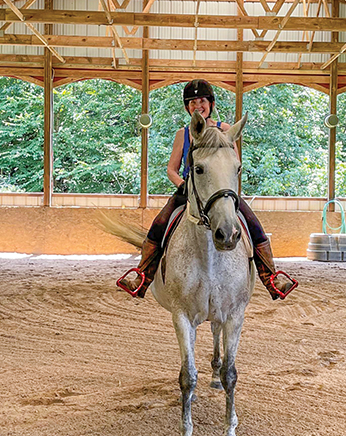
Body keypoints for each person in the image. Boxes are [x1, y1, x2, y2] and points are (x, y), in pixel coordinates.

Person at [117, 79, 297, 300]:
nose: (197, 105)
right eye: (192, 102)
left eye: (201, 100)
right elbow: (172, 170)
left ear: (211, 103)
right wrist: (185, 186)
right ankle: (142, 275)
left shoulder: (226, 130)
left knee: (253, 225)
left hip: (221, 190)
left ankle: (271, 277)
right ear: (187, 107)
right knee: (160, 223)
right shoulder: (182, 134)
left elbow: (234, 165)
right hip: (190, 190)